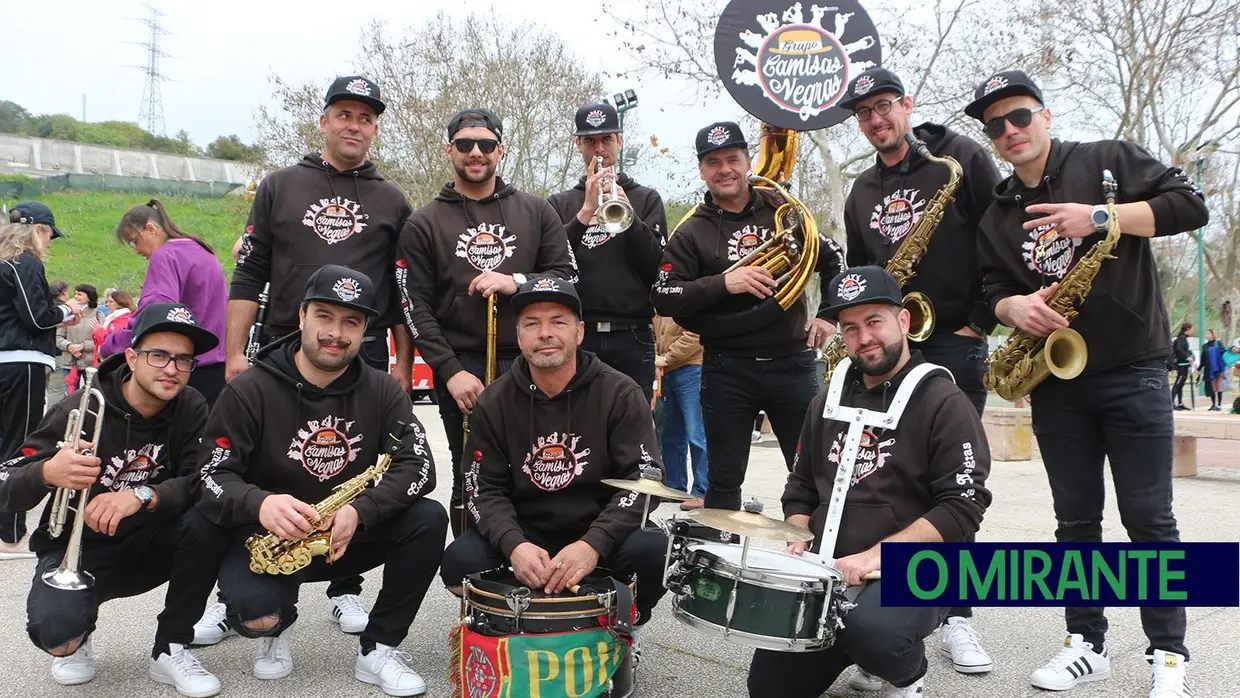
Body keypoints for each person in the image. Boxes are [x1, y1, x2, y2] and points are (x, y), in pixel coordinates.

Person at [969, 69, 1207, 695]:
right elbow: (988, 289)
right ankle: (1086, 641)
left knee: (1149, 519)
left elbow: (1190, 205)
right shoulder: (997, 210)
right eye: (995, 126)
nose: (1010, 131)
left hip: (1134, 371)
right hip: (1056, 379)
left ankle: (1168, 654)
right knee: (1075, 521)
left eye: (1020, 116)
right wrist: (1011, 309)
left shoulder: (1107, 161)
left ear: (1045, 115)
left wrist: (1103, 215)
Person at [195, 264, 447, 695]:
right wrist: (261, 504)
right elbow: (210, 475)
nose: (336, 333)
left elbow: (418, 467)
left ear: (366, 329)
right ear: (301, 317)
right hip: (269, 538)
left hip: (344, 537)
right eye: (325, 317)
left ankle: (379, 649)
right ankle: (277, 623)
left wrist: (361, 511)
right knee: (258, 618)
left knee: (428, 518)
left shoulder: (384, 390)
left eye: (351, 321)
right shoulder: (248, 390)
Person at [220, 74, 413, 635]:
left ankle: (345, 584)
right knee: (268, 466)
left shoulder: (392, 199)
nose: (355, 125)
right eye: (345, 114)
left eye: (367, 117)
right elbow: (249, 272)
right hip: (285, 346)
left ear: (375, 128)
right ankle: (236, 580)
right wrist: (235, 354)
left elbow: (400, 293)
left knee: (351, 466)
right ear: (324, 120)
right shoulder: (280, 185)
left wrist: (401, 364)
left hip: (363, 350)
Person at [747, 265, 993, 698]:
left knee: (877, 633)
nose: (864, 338)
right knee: (769, 688)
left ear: (904, 321)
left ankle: (906, 672)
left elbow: (963, 505)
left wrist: (872, 558)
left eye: (874, 321)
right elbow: (801, 483)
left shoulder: (944, 401)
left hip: (917, 570)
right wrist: (799, 532)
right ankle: (860, 647)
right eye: (850, 327)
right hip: (831, 570)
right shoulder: (826, 399)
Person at [836, 67, 1001, 683]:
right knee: (887, 475)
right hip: (887, 350)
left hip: (951, 343)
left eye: (885, 106)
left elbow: (1001, 234)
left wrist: (980, 319)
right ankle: (895, 617)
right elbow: (857, 267)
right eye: (865, 113)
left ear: (906, 105)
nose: (877, 120)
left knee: (952, 485)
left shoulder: (958, 163)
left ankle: (955, 613)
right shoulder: (860, 189)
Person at [0, 302, 229, 695]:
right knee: (57, 636)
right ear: (131, 356)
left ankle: (171, 646)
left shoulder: (191, 405)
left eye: (183, 360)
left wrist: (143, 495)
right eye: (159, 356)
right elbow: (6, 480)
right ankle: (80, 630)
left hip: (152, 541)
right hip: (83, 549)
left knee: (208, 521)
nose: (172, 369)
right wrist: (46, 471)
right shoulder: (81, 407)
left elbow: (202, 478)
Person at [440, 278, 669, 638]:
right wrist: (514, 545)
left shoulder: (620, 392)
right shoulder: (494, 401)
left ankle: (624, 621)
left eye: (558, 321)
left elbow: (646, 479)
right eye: (532, 323)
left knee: (653, 550)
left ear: (580, 333)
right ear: (518, 338)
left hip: (597, 527)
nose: (545, 333)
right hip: (527, 528)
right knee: (459, 562)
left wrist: (593, 544)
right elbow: (482, 489)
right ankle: (521, 619)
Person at [397, 107, 578, 536]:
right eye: (464, 144)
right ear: (450, 150)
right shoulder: (422, 222)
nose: (475, 152)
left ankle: (539, 563)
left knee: (542, 464)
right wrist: (450, 371)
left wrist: (516, 281)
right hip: (461, 367)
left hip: (532, 359)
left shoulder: (537, 211)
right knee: (472, 472)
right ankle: (472, 573)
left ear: (501, 150)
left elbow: (568, 277)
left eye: (485, 144)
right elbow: (412, 304)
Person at [651, 121, 846, 511]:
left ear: (746, 161)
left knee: (814, 472)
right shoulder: (691, 232)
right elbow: (664, 294)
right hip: (727, 368)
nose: (724, 169)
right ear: (702, 170)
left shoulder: (785, 210)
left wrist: (828, 314)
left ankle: (823, 560)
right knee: (722, 483)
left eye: (732, 159)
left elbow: (833, 257)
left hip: (793, 363)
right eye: (713, 162)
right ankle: (719, 566)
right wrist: (725, 284)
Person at [546, 102, 667, 402]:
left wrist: (630, 218)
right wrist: (585, 213)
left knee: (633, 425)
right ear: (578, 145)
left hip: (633, 334)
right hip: (577, 335)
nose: (599, 149)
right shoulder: (559, 204)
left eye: (606, 140)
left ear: (620, 141)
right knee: (576, 423)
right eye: (590, 141)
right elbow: (550, 263)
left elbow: (657, 269)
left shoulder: (646, 198)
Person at [0, 203, 83, 556]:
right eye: (49, 234)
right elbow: (37, 317)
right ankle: (9, 533)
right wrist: (68, 311)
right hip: (23, 360)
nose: (49, 242)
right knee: (19, 445)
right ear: (37, 230)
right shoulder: (26, 262)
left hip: (5, 358)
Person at [102, 200, 229, 406]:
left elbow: (155, 315)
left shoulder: (165, 255)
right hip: (216, 367)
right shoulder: (204, 251)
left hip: (182, 370)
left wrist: (111, 345)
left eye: (134, 241)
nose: (136, 250)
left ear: (151, 229)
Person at [653, 314, 708, 510]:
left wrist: (666, 358)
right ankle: (674, 487)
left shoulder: (690, 298)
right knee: (671, 433)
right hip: (667, 371)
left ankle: (703, 491)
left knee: (697, 433)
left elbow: (697, 334)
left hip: (691, 368)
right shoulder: (659, 303)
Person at [54, 284, 106, 397]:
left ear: (89, 297)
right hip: (69, 362)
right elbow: (58, 337)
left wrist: (82, 346)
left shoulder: (98, 315)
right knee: (69, 397)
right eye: (75, 293)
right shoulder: (69, 315)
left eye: (80, 294)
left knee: (90, 395)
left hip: (90, 364)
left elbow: (103, 341)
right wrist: (69, 347)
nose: (76, 296)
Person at [93, 290, 136, 366]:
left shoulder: (124, 320)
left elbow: (115, 343)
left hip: (114, 362)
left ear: (121, 303)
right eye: (107, 302)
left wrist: (99, 331)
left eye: (111, 302)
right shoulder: (114, 318)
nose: (107, 305)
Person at [1171, 323, 1194, 410]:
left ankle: (1180, 402)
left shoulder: (1184, 338)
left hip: (1185, 364)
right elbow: (1179, 349)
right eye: (1191, 329)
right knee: (1178, 384)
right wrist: (1187, 357)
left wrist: (1190, 356)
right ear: (1188, 329)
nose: (1192, 331)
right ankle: (1172, 403)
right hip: (1181, 365)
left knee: (1181, 384)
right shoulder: (1181, 338)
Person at [1203, 329, 1226, 411]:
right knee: (1213, 387)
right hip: (1210, 368)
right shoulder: (1205, 346)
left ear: (1213, 334)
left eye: (1209, 333)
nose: (1207, 335)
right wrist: (1199, 368)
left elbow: (1224, 351)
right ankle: (1213, 404)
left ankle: (1219, 405)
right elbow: (1203, 359)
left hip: (1219, 367)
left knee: (1219, 386)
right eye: (1206, 333)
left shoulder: (1218, 342)